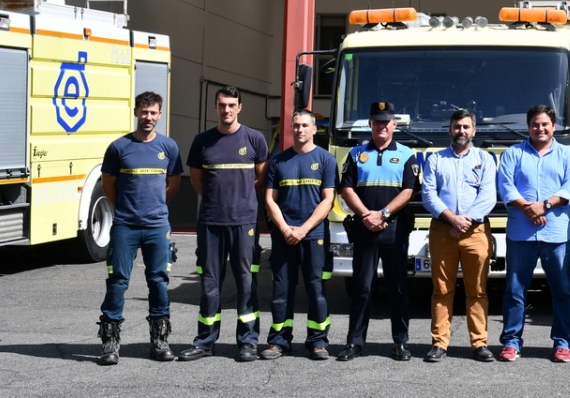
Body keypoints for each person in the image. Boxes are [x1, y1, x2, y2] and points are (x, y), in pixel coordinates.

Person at [179, 86, 269, 363]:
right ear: (215, 107)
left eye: (231, 105)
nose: (226, 110)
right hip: (211, 222)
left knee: (246, 283)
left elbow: (261, 178)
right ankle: (205, 341)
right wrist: (217, 200)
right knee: (209, 284)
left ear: (240, 107)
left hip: (244, 223)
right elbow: (196, 180)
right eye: (221, 105)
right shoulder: (202, 141)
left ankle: (248, 342)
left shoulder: (255, 139)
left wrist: (240, 200)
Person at [95, 91, 183, 365]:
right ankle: (110, 344)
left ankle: (159, 341)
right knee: (118, 282)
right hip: (125, 226)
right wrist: (124, 208)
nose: (148, 117)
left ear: (160, 114)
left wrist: (154, 207)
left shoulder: (169, 147)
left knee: (158, 281)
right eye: (144, 112)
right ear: (136, 112)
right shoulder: (119, 147)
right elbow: (109, 184)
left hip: (157, 226)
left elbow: (173, 184)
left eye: (153, 112)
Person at [496, 105, 570, 363]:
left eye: (545, 124)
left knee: (563, 290)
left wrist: (544, 205)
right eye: (535, 124)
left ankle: (562, 342)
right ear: (528, 126)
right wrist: (528, 208)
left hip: (556, 234)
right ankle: (511, 341)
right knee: (514, 289)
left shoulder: (568, 154)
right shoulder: (513, 154)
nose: (540, 128)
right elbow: (506, 187)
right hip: (521, 234)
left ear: (553, 126)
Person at [336, 100, 420, 362]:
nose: (382, 125)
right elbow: (346, 188)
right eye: (377, 121)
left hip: (394, 229)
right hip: (364, 229)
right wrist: (366, 215)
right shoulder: (356, 154)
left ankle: (400, 342)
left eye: (386, 121)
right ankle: (355, 342)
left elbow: (409, 190)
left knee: (397, 288)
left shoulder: (407, 154)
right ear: (370, 124)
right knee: (362, 287)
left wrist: (383, 214)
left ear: (394, 124)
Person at [421, 109, 497, 363]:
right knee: (441, 289)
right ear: (449, 130)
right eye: (457, 127)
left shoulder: (485, 159)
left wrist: (466, 221)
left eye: (466, 127)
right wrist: (451, 218)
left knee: (477, 290)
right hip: (443, 230)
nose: (461, 131)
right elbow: (429, 194)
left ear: (474, 130)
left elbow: (488, 196)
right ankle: (439, 343)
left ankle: (479, 343)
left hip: (475, 231)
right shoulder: (434, 159)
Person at [260, 109, 337, 361]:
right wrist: (284, 228)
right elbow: (270, 200)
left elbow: (328, 200)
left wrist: (303, 229)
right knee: (281, 291)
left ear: (315, 129)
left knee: (316, 290)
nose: (300, 129)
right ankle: (279, 341)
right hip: (284, 237)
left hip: (314, 236)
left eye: (305, 125)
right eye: (295, 125)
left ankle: (318, 341)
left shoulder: (326, 160)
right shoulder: (279, 162)